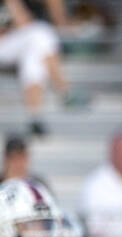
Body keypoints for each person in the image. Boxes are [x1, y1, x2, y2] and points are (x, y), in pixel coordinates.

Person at [0, 0, 84, 136]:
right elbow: (23, 23)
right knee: (41, 33)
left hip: (14, 45)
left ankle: (34, 118)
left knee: (34, 54)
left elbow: (24, 22)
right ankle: (64, 91)